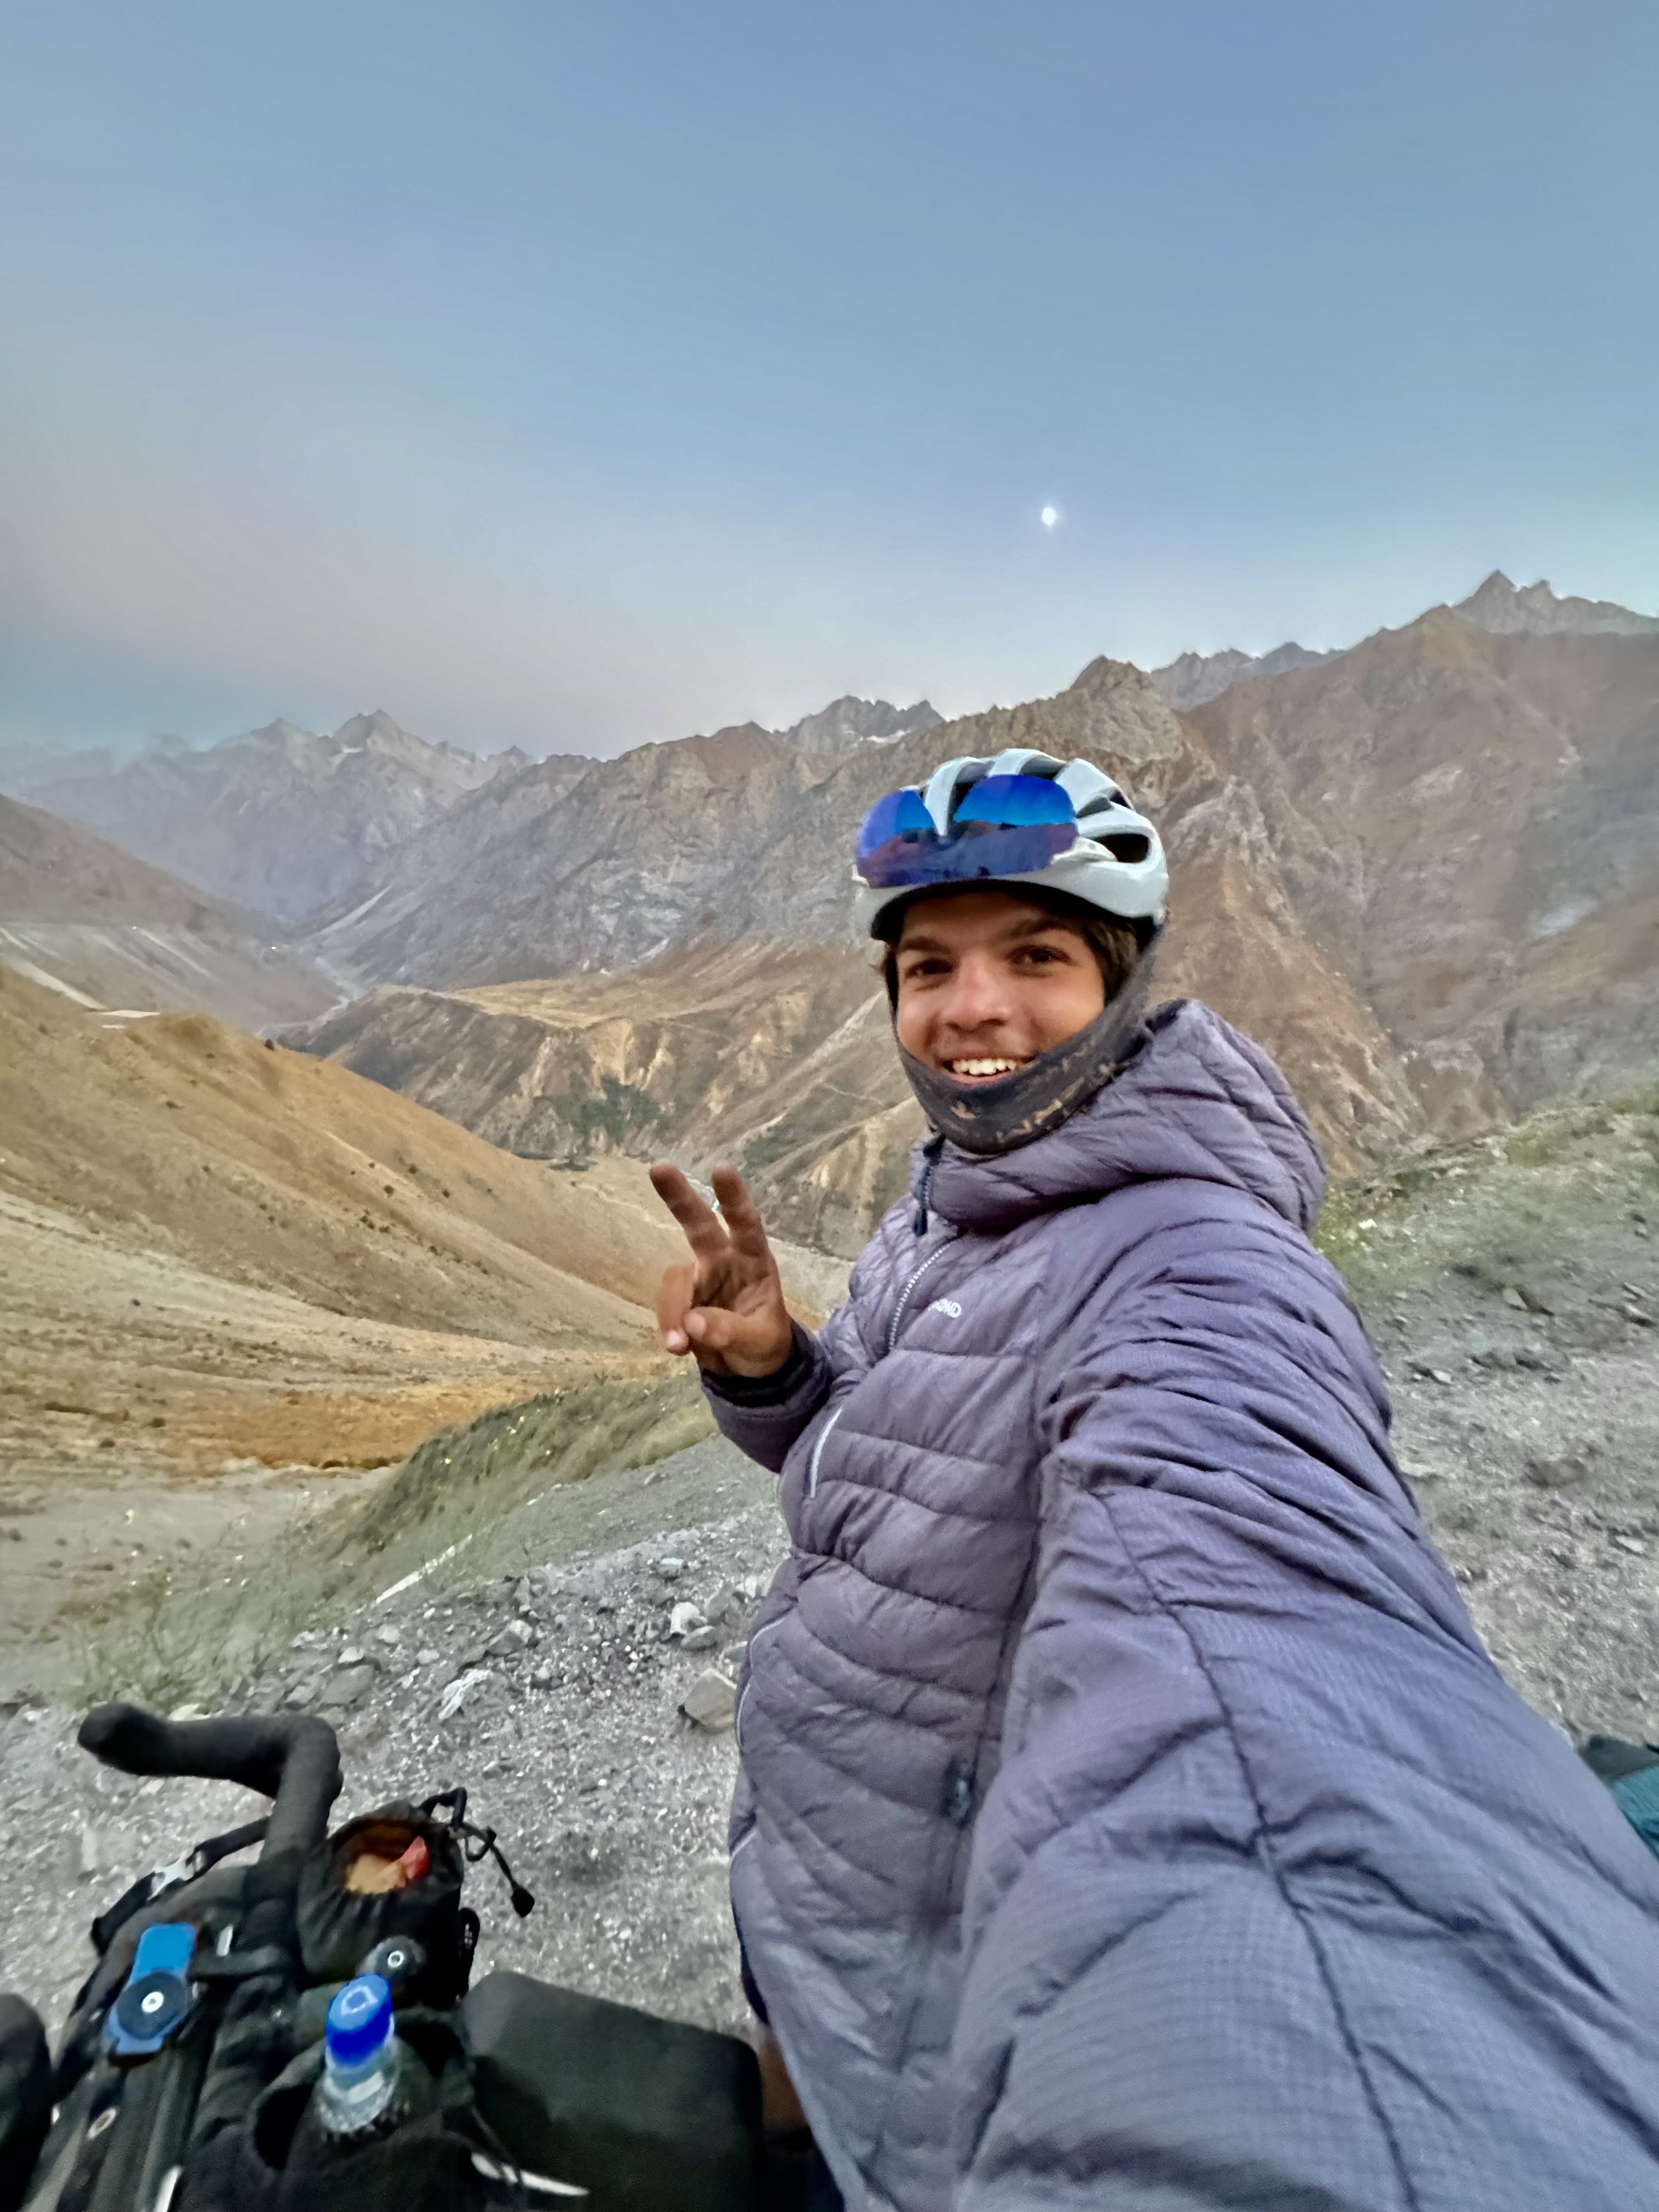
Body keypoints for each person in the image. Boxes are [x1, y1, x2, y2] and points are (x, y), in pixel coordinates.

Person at [649, 747, 1659, 2212]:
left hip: (962, 1993)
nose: (971, 1006)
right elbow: (899, 1455)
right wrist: (774, 1371)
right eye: (928, 966)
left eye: (1035, 957)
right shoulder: (955, 1202)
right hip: (850, 1901)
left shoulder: (1198, 1265)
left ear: (1122, 984)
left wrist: (1319, 2030)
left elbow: (1244, 1651)